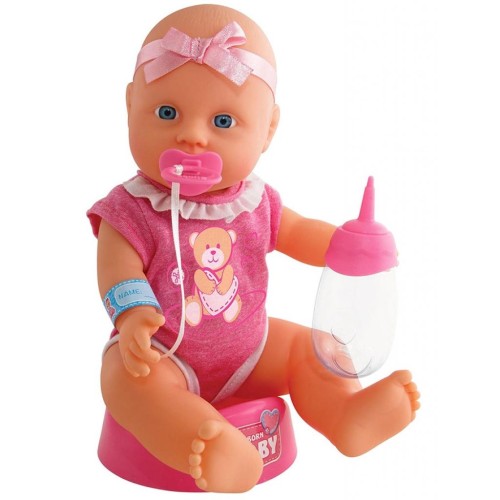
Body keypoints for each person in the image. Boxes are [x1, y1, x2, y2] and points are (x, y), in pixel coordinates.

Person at [88, 4, 420, 493]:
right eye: (167, 113)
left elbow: (298, 231)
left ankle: (346, 413)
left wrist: (344, 245)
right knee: (126, 381)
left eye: (223, 120)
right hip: (163, 353)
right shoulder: (131, 207)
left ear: (267, 130)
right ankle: (206, 445)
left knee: (312, 349)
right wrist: (134, 315)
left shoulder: (255, 201)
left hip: (252, 347)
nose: (192, 136)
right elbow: (117, 268)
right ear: (130, 104)